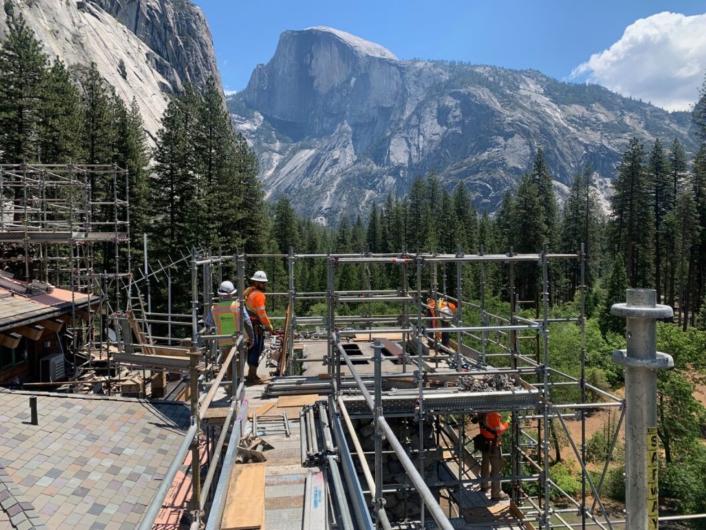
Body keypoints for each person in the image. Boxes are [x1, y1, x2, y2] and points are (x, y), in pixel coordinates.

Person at [243, 271, 274, 384]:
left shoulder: (250, 292)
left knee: (253, 349)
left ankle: (252, 375)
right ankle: (252, 377)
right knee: (256, 349)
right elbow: (261, 313)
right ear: (256, 282)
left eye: (264, 283)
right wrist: (268, 325)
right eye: (262, 283)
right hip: (255, 325)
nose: (264, 285)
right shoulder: (259, 295)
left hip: (250, 325)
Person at [206, 280, 253, 348]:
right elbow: (248, 323)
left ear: (219, 294)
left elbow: (208, 326)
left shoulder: (214, 309)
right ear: (232, 293)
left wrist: (209, 344)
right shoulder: (238, 306)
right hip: (238, 341)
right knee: (241, 358)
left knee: (224, 358)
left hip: (222, 343)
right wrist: (252, 339)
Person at [478, 411, 510, 501]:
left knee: (485, 463)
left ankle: (484, 485)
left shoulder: (481, 412)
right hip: (493, 444)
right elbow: (499, 430)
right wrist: (507, 422)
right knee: (496, 469)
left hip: (484, 441)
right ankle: (496, 493)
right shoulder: (493, 414)